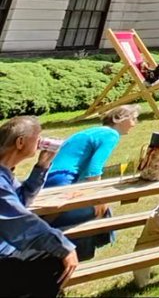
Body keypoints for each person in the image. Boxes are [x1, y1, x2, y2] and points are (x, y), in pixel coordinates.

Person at [44, 106, 139, 260]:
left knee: (52, 217)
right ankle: (80, 252)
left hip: (50, 176)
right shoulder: (111, 134)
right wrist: (97, 192)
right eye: (133, 119)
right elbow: (94, 168)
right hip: (64, 178)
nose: (135, 124)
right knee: (99, 207)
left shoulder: (96, 131)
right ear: (119, 119)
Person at [0, 117, 78, 296]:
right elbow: (20, 222)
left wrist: (42, 166)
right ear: (20, 142)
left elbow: (19, 202)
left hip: (7, 247)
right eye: (37, 138)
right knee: (55, 258)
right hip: (4, 253)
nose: (41, 142)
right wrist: (64, 248)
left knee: (55, 248)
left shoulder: (5, 172)